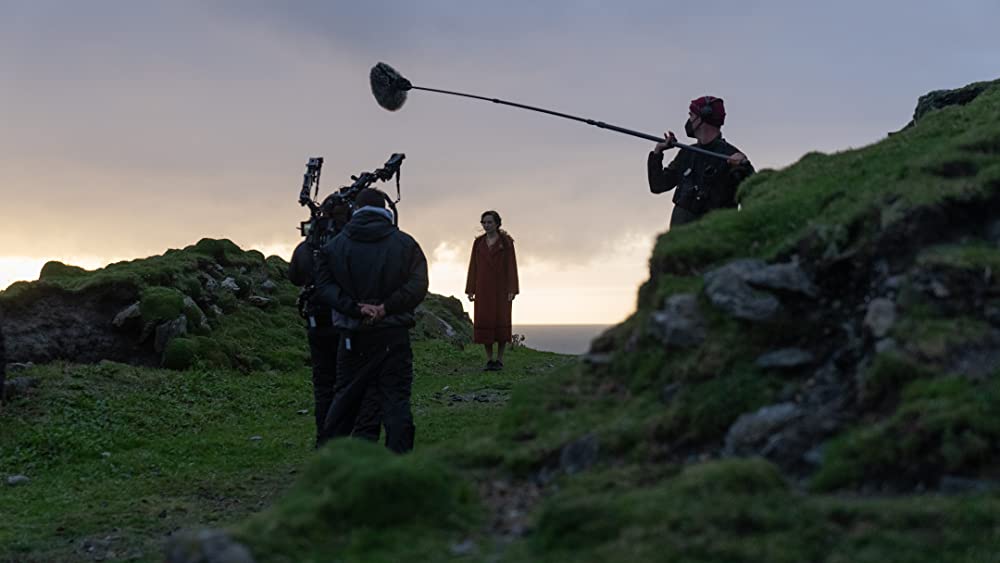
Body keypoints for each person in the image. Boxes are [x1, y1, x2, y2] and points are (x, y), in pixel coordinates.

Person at [315, 188, 428, 454]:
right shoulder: (406, 244)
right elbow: (418, 284)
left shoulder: (335, 246)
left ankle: (332, 462)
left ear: (356, 210)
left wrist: (355, 309)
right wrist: (386, 308)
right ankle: (398, 464)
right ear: (386, 211)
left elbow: (324, 284)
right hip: (393, 334)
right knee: (396, 400)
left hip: (353, 336)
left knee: (345, 399)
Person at [288, 200, 380, 447]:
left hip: (315, 322)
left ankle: (324, 438)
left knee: (323, 383)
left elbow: (294, 276)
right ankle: (344, 438)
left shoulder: (306, 248)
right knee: (347, 383)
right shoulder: (345, 246)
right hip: (344, 323)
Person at [648, 95, 755, 227]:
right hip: (680, 240)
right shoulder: (687, 153)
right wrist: (658, 152)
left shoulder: (732, 158)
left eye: (692, 115)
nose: (689, 120)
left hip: (713, 241)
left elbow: (754, 196)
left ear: (704, 116)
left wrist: (745, 168)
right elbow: (658, 185)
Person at [465, 210, 519, 371]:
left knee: (501, 322)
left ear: (497, 223)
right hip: (483, 288)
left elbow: (512, 266)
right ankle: (489, 359)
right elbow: (473, 266)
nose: (486, 225)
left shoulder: (506, 242)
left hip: (502, 289)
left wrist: (512, 289)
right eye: (484, 222)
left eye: (489, 222)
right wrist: (470, 289)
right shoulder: (478, 243)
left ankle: (500, 359)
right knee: (485, 322)